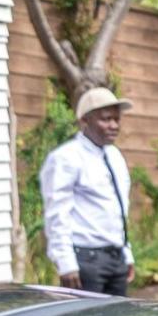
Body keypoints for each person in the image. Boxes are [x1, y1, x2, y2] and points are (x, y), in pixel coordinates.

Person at [41, 88, 135, 295]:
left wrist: (126, 253)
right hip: (86, 260)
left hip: (115, 257)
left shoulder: (114, 156)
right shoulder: (66, 158)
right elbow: (57, 212)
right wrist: (65, 262)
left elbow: (119, 208)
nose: (114, 125)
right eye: (106, 119)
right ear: (84, 121)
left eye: (117, 119)